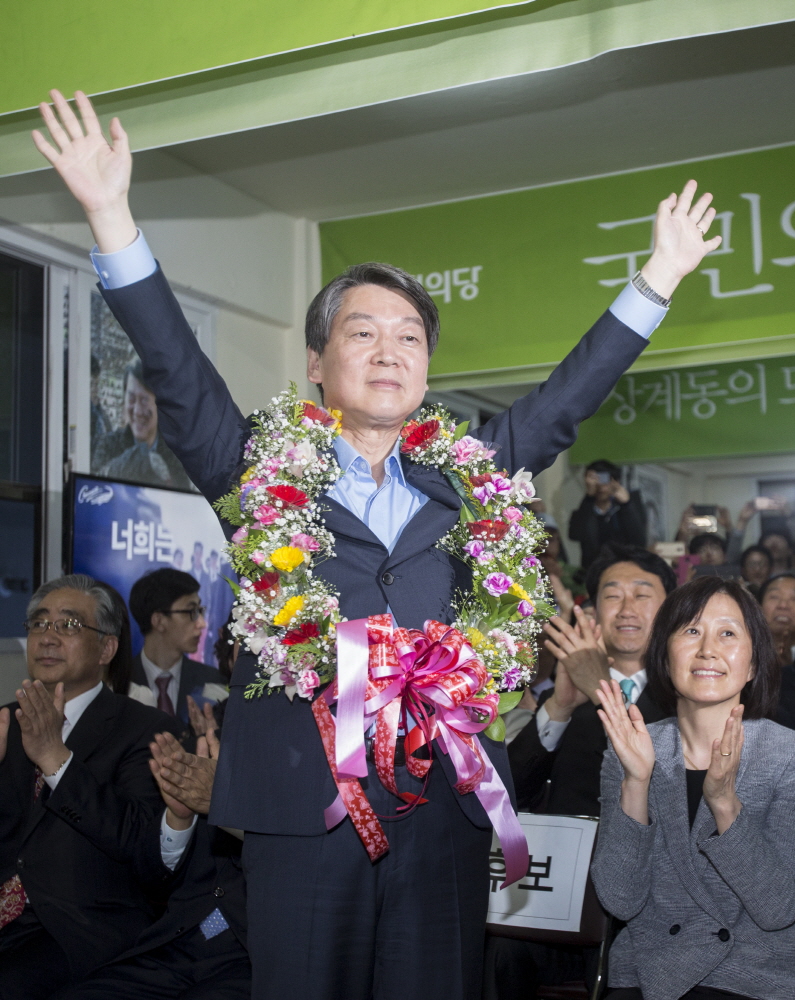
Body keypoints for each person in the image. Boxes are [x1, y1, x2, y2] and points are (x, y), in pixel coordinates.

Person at [33, 88, 722, 1000]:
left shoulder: (473, 473)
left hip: (441, 813)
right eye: (362, 331)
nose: (389, 350)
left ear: (428, 367)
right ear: (317, 364)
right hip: (300, 813)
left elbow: (565, 397)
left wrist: (659, 277)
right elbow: (178, 370)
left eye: (409, 336)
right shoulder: (256, 473)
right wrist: (110, 214)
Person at [592, 577, 794, 1000]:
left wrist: (723, 803)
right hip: (649, 970)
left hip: (751, 973)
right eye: (690, 631)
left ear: (753, 663)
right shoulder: (631, 747)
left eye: (727, 633)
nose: (707, 650)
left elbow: (779, 908)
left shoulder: (786, 756)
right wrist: (636, 781)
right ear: (664, 655)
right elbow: (620, 901)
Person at [487, 547, 675, 998]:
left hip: (650, 896)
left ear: (671, 608)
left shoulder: (685, 692)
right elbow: (512, 793)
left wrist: (600, 690)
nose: (627, 608)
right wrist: (560, 707)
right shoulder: (564, 692)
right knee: (497, 954)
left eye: (642, 594)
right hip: (560, 893)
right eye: (612, 596)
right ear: (592, 611)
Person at [0, 574, 179, 1000]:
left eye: (69, 625)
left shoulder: (146, 730)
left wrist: (56, 760)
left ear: (106, 648)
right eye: (39, 624)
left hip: (77, 928)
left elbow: (142, 843)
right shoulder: (6, 721)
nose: (47, 637)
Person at [50, 729, 250, 1000]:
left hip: (252, 956)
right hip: (176, 942)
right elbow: (151, 880)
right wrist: (180, 819)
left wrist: (231, 810)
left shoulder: (321, 768)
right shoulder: (219, 747)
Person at [128, 568, 224, 727]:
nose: (202, 623)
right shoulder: (119, 682)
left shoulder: (213, 680)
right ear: (159, 621)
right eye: (192, 611)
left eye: (200, 611)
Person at [92, 359, 193, 490]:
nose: (138, 411)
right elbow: (95, 489)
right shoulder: (108, 445)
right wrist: (140, 456)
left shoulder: (176, 455)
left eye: (145, 400)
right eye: (131, 399)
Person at [568, 460, 647, 569]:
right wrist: (589, 498)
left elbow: (639, 541)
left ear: (616, 481)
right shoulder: (586, 509)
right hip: (593, 571)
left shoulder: (626, 507)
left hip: (624, 569)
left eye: (605, 479)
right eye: (595, 479)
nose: (600, 485)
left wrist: (626, 505)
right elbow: (576, 535)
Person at [758, 573, 795, 730]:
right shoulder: (741, 656)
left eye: (794, 599)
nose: (783, 605)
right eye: (774, 597)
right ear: (758, 606)